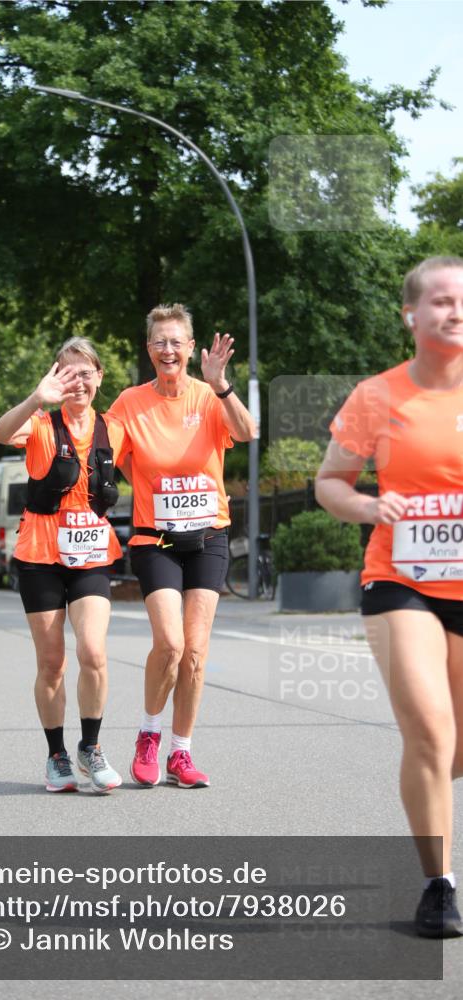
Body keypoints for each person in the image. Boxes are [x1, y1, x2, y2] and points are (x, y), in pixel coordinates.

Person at [315, 256, 463, 938]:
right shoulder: (376, 396)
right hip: (400, 579)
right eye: (438, 301)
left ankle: (428, 781)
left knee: (452, 745)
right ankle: (438, 884)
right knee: (430, 731)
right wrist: (370, 507)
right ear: (410, 314)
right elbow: (330, 483)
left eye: (461, 301)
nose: (453, 311)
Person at [107, 304, 257, 788]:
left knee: (195, 651)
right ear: (148, 349)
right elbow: (102, 451)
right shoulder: (130, 402)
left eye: (176, 341)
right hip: (157, 540)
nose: (168, 350)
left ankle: (181, 753)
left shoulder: (209, 396)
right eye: (159, 342)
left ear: (191, 348)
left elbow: (247, 432)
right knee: (170, 644)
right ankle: (148, 734)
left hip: (209, 536)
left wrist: (223, 385)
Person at [0, 337, 124, 793]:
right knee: (52, 663)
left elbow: (158, 464)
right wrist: (36, 396)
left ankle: (91, 746)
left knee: (94, 653)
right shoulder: (40, 423)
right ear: (56, 378)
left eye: (86, 373)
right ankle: (57, 755)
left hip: (90, 554)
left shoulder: (115, 427)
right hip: (40, 556)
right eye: (68, 374)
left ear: (100, 377)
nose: (78, 382)